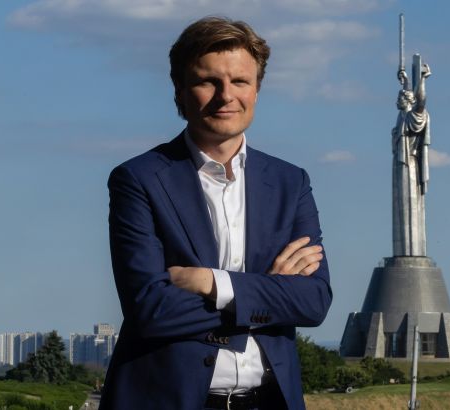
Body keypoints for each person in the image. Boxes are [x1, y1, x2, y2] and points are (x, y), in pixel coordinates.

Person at [100, 16, 332, 410]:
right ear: (179, 90)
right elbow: (150, 310)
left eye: (240, 81)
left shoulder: (291, 182)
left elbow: (313, 301)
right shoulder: (138, 179)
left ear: (257, 89)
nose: (226, 96)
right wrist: (268, 291)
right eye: (209, 81)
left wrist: (212, 283)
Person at [391, 63, 431, 257]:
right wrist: (406, 80)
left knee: (410, 209)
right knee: (400, 210)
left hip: (410, 167)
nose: (397, 100)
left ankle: (412, 252)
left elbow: (421, 101)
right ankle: (403, 254)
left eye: (400, 97)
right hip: (399, 167)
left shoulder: (413, 117)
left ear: (407, 101)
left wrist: (422, 79)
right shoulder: (401, 117)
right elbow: (411, 96)